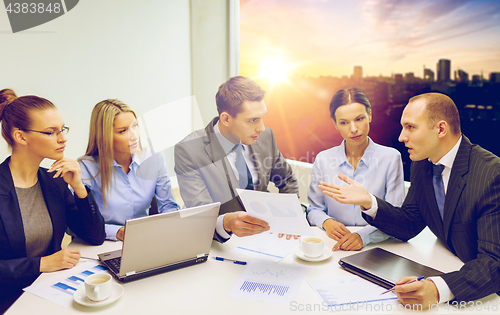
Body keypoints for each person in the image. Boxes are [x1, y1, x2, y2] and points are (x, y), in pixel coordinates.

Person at [319, 92, 500, 308]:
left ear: (440, 129)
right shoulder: (422, 165)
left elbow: (494, 264)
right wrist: (370, 202)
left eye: (411, 127)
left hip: (486, 296)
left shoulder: (491, 175)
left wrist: (436, 288)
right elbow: (410, 223)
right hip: (448, 266)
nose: (401, 137)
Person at [0, 89, 105, 312]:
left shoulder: (54, 181)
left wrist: (78, 187)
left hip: (51, 292)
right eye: (51, 132)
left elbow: (94, 236)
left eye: (63, 129)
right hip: (10, 300)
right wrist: (41, 264)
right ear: (21, 136)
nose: (63, 138)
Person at [174, 76, 299, 242]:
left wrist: (288, 219)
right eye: (252, 120)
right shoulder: (189, 151)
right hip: (221, 243)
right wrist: (226, 223)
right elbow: (200, 214)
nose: (261, 127)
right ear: (226, 119)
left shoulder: (265, 136)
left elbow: (288, 180)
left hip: (267, 238)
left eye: (262, 117)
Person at [307, 88, 404, 251]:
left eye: (359, 119)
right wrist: (327, 223)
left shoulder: (391, 158)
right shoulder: (323, 159)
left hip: (378, 245)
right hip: (333, 244)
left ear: (370, 115)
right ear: (335, 124)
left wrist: (363, 236)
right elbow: (314, 209)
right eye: (344, 122)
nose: (353, 129)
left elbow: (396, 215)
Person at [79, 99, 180, 241]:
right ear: (104, 136)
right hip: (102, 243)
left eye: (135, 126)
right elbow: (79, 224)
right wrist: (118, 232)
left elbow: (169, 206)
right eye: (123, 131)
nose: (134, 135)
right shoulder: (86, 168)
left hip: (144, 240)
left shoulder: (154, 159)